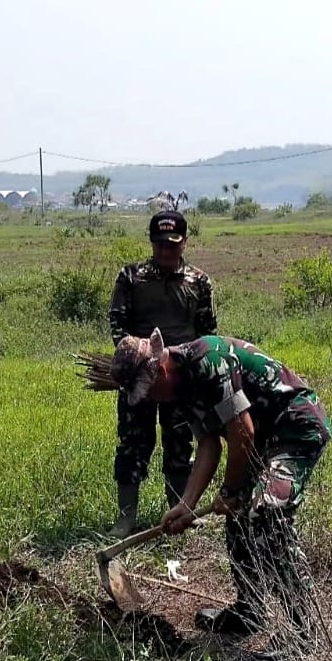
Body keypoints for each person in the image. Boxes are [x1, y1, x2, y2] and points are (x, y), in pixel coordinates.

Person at [82, 328, 332, 661]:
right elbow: (209, 444)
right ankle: (250, 609)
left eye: (151, 389)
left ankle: (302, 635)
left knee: (266, 513)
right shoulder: (179, 391)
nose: (154, 398)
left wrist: (231, 490)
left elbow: (242, 430)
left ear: (161, 368)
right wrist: (185, 505)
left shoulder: (207, 360)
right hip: (261, 441)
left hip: (294, 427)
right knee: (240, 514)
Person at [106, 210, 217, 536]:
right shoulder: (131, 277)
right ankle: (126, 518)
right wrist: (142, 360)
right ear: (152, 243)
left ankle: (180, 512)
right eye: (160, 245)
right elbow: (117, 325)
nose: (166, 252)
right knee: (132, 445)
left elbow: (207, 333)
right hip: (140, 378)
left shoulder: (199, 281)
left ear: (184, 243)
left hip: (180, 381)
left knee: (180, 444)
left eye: (173, 245)